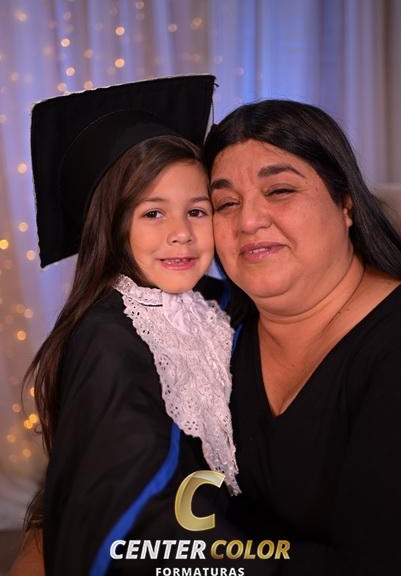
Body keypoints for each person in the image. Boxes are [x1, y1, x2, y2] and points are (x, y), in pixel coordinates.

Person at [12, 75, 242, 576]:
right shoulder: (108, 336)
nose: (181, 234)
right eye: (153, 213)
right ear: (113, 227)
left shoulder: (221, 305)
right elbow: (133, 506)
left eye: (196, 210)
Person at [203, 99, 401, 574]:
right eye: (226, 203)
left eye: (280, 191)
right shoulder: (210, 326)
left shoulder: (391, 348)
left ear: (345, 203)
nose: (248, 221)